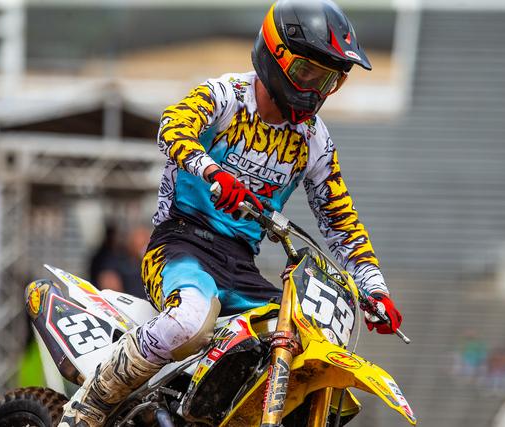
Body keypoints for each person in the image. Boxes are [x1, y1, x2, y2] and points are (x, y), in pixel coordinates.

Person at [60, 1, 403, 425]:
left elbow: (340, 220)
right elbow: (173, 127)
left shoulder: (314, 140)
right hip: (181, 243)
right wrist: (213, 173)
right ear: (275, 56)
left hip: (240, 264)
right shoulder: (226, 96)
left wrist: (375, 289)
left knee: (298, 340)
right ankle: (91, 404)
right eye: (307, 73)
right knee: (189, 322)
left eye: (328, 79)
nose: (315, 90)